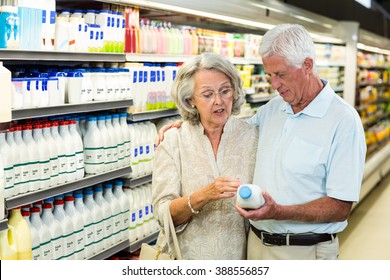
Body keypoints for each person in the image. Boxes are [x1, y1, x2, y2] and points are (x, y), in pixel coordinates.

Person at [156, 24, 367, 260]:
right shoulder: (273, 109)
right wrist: (181, 125)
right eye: (269, 75)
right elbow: (228, 126)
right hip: (255, 248)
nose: (274, 85)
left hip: (304, 251)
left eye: (281, 74)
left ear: (307, 65)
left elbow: (340, 208)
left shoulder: (343, 121)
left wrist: (278, 212)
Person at [152, 52, 259, 260]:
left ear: (235, 92)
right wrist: (205, 195)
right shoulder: (173, 141)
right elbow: (162, 213)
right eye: (208, 94)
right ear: (191, 100)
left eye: (225, 91)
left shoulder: (253, 137)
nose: (219, 101)